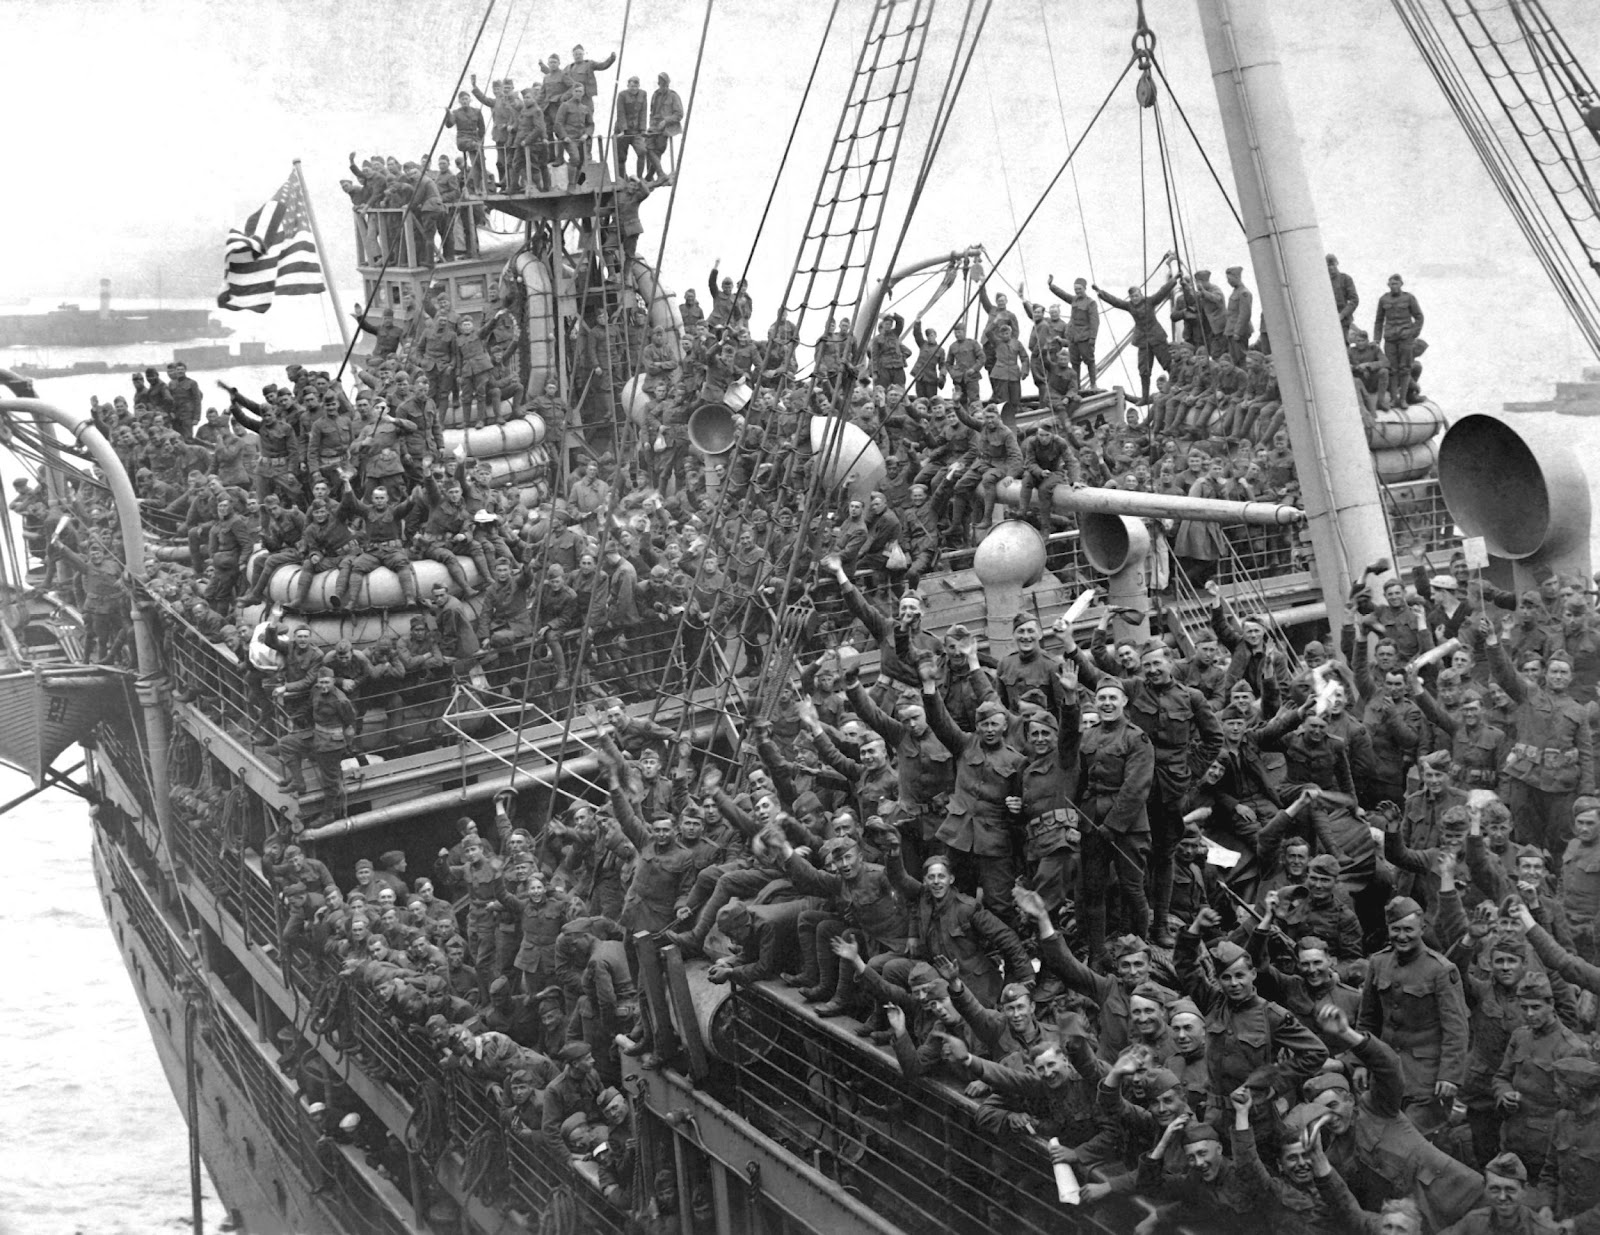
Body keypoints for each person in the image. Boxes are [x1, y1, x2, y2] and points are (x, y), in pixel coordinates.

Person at [1372, 274, 1424, 406]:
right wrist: (1377, 339)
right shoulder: (1384, 299)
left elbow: (1419, 317)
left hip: (1405, 338)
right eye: (1391, 284)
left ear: (1401, 284)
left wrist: (1412, 333)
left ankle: (1403, 399)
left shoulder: (1409, 298)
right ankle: (1394, 399)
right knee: (1392, 369)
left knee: (1405, 368)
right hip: (1390, 338)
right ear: (1388, 285)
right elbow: (1379, 320)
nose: (1393, 286)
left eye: (1396, 284)